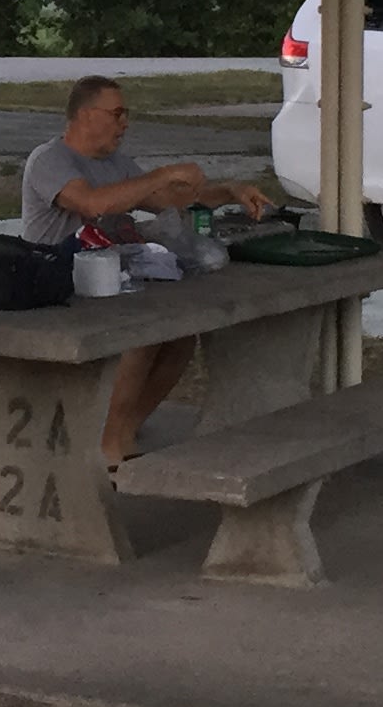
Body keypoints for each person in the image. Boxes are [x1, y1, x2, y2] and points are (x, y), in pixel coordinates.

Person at [19, 76, 273, 462]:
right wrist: (162, 173)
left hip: (107, 283)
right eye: (117, 113)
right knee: (140, 337)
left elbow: (169, 200)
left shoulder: (117, 164)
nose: (125, 124)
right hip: (55, 286)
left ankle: (121, 428)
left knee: (181, 334)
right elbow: (92, 204)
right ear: (86, 116)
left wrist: (230, 191)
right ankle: (110, 444)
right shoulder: (48, 160)